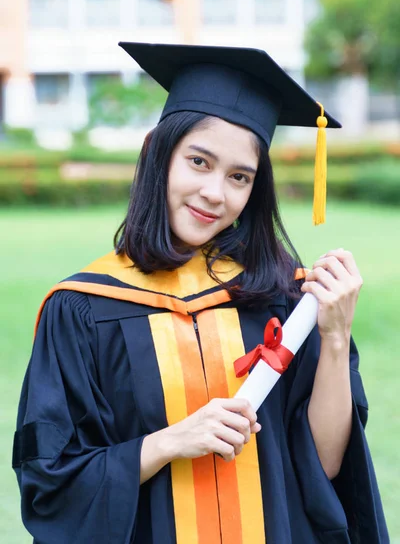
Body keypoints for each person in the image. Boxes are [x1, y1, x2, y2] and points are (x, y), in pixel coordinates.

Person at [12, 43, 389, 544]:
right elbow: (50, 484)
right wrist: (169, 442)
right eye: (199, 161)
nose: (216, 192)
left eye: (239, 177)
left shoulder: (283, 300)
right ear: (156, 154)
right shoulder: (84, 309)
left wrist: (336, 338)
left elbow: (324, 465)